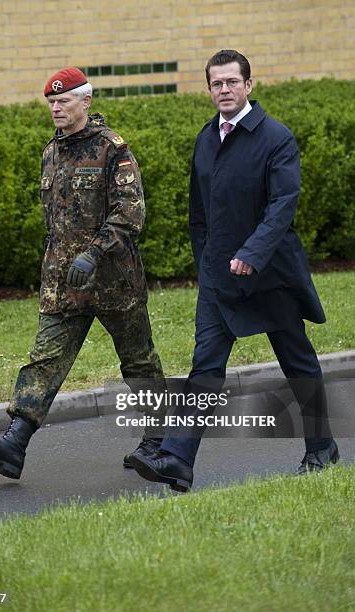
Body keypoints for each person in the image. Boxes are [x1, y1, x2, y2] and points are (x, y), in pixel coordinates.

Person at [129, 50, 339, 492]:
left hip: (270, 275)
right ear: (209, 90)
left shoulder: (276, 138)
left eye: (231, 82)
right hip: (220, 279)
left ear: (249, 85)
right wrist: (207, 264)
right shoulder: (206, 139)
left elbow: (283, 205)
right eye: (216, 83)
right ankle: (178, 459)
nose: (223, 89)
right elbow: (198, 214)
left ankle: (322, 447)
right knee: (205, 366)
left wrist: (251, 253)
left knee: (297, 361)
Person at [0, 67, 166, 479]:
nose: (56, 106)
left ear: (85, 102)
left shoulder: (112, 149)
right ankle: (14, 443)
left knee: (139, 363)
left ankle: (160, 441)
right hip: (63, 284)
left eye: (64, 100)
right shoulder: (50, 152)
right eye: (51, 101)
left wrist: (94, 254)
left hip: (114, 282)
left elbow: (131, 212)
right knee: (44, 360)